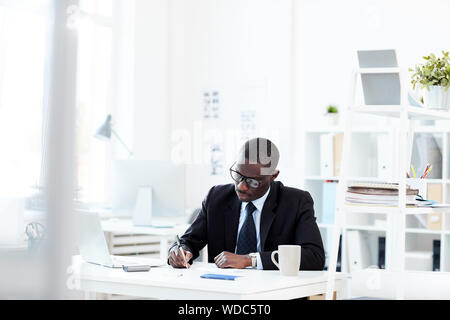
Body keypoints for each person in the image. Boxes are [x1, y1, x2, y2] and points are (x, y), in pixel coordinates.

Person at [168, 138, 325, 270]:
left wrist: (250, 260)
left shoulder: (295, 202)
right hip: (226, 291)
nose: (241, 186)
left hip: (274, 292)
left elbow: (314, 256)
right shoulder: (217, 198)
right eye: (238, 175)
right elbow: (189, 241)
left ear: (273, 176)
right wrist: (179, 251)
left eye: (253, 181)